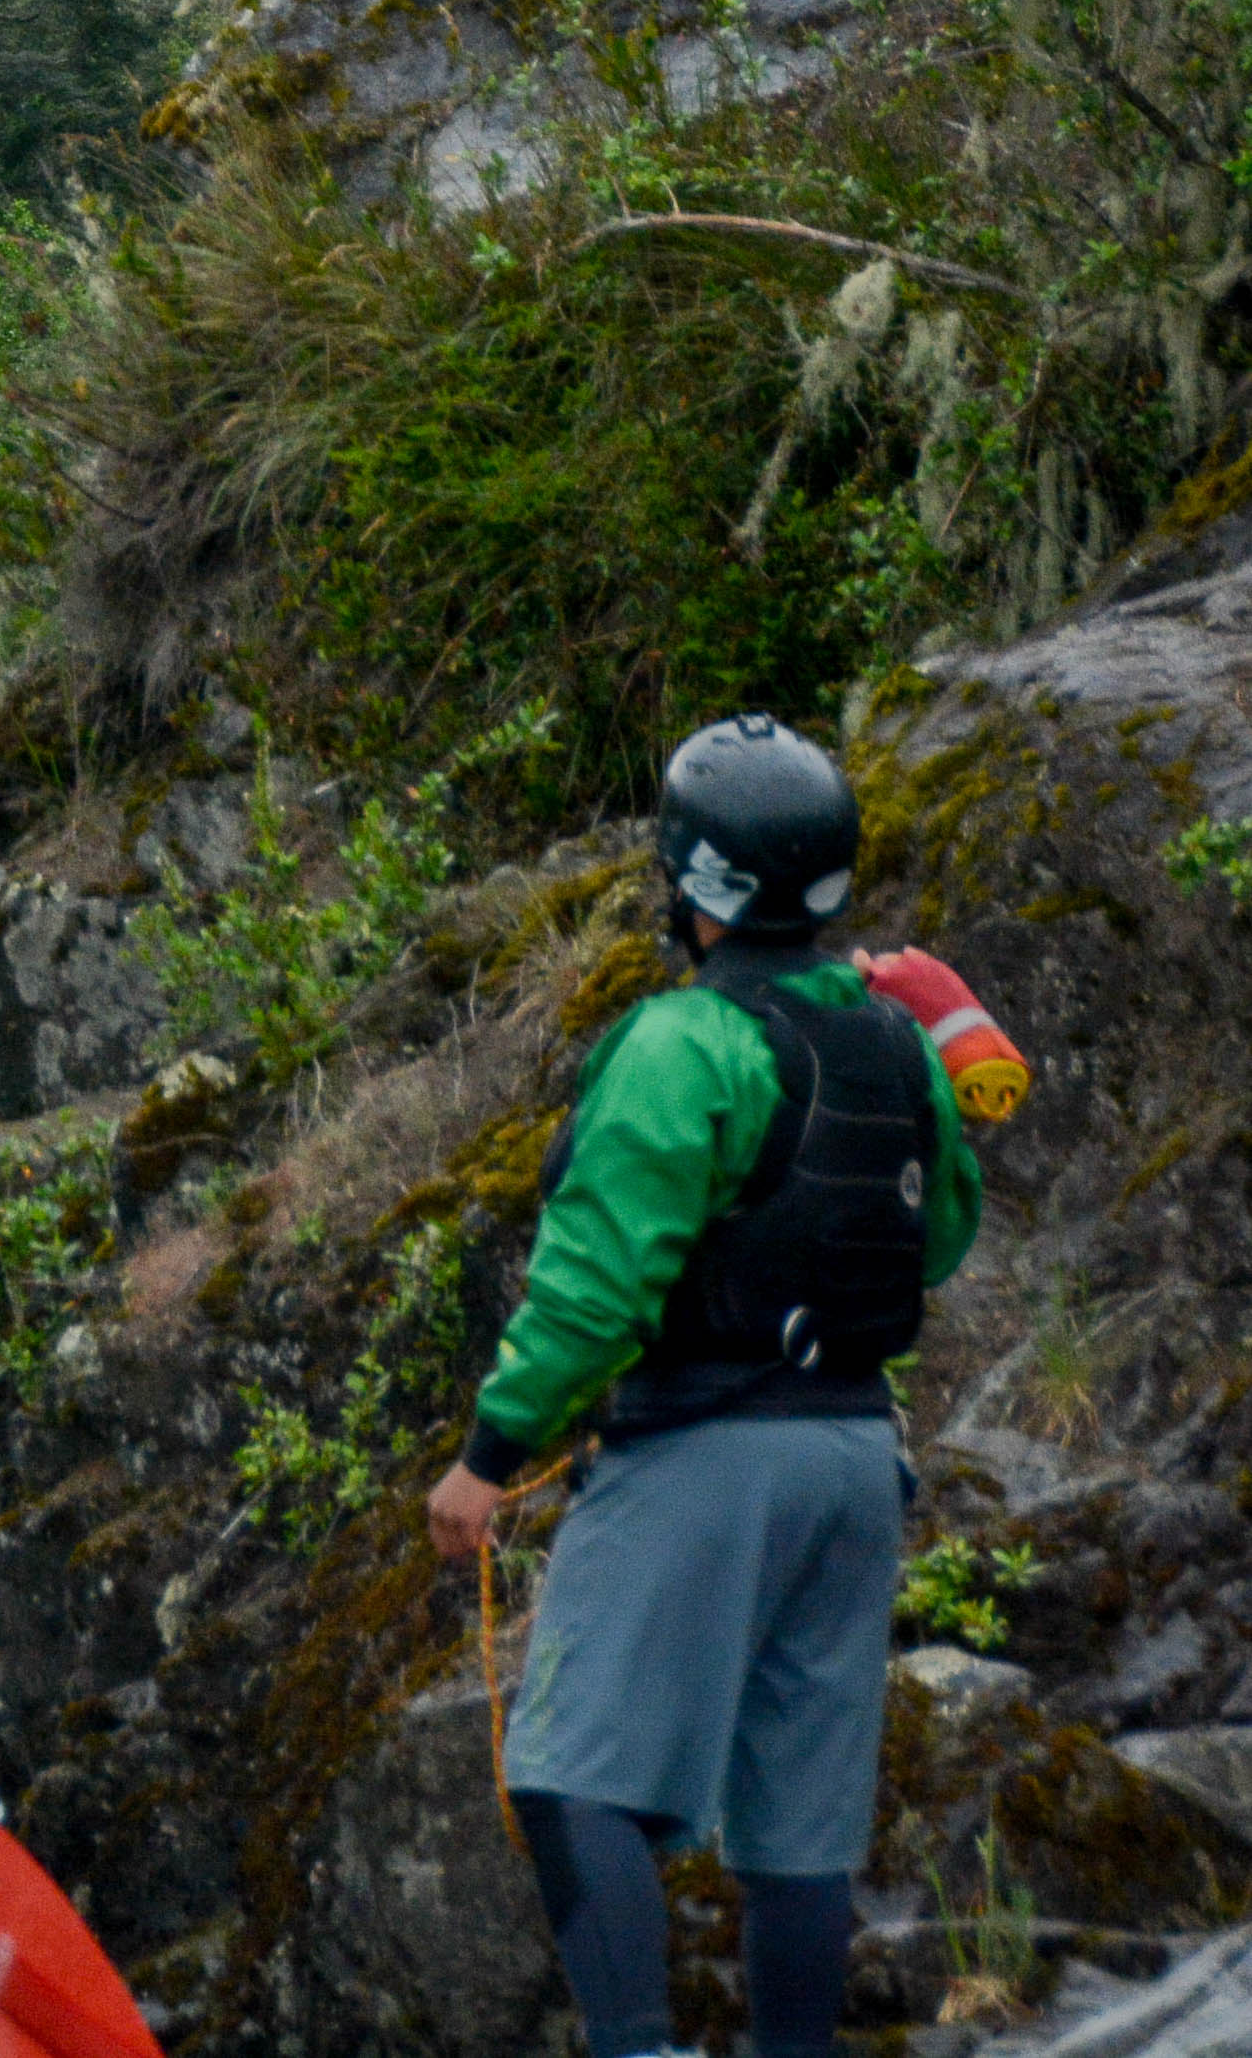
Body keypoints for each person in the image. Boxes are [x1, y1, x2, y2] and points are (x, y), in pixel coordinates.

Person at [425, 713, 985, 2058]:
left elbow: (595, 1285)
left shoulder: (680, 1044)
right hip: (856, 1460)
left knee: (567, 1781)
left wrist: (488, 1459)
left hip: (706, 1452)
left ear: (689, 891)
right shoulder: (898, 1046)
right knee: (797, 1824)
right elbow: (943, 1238)